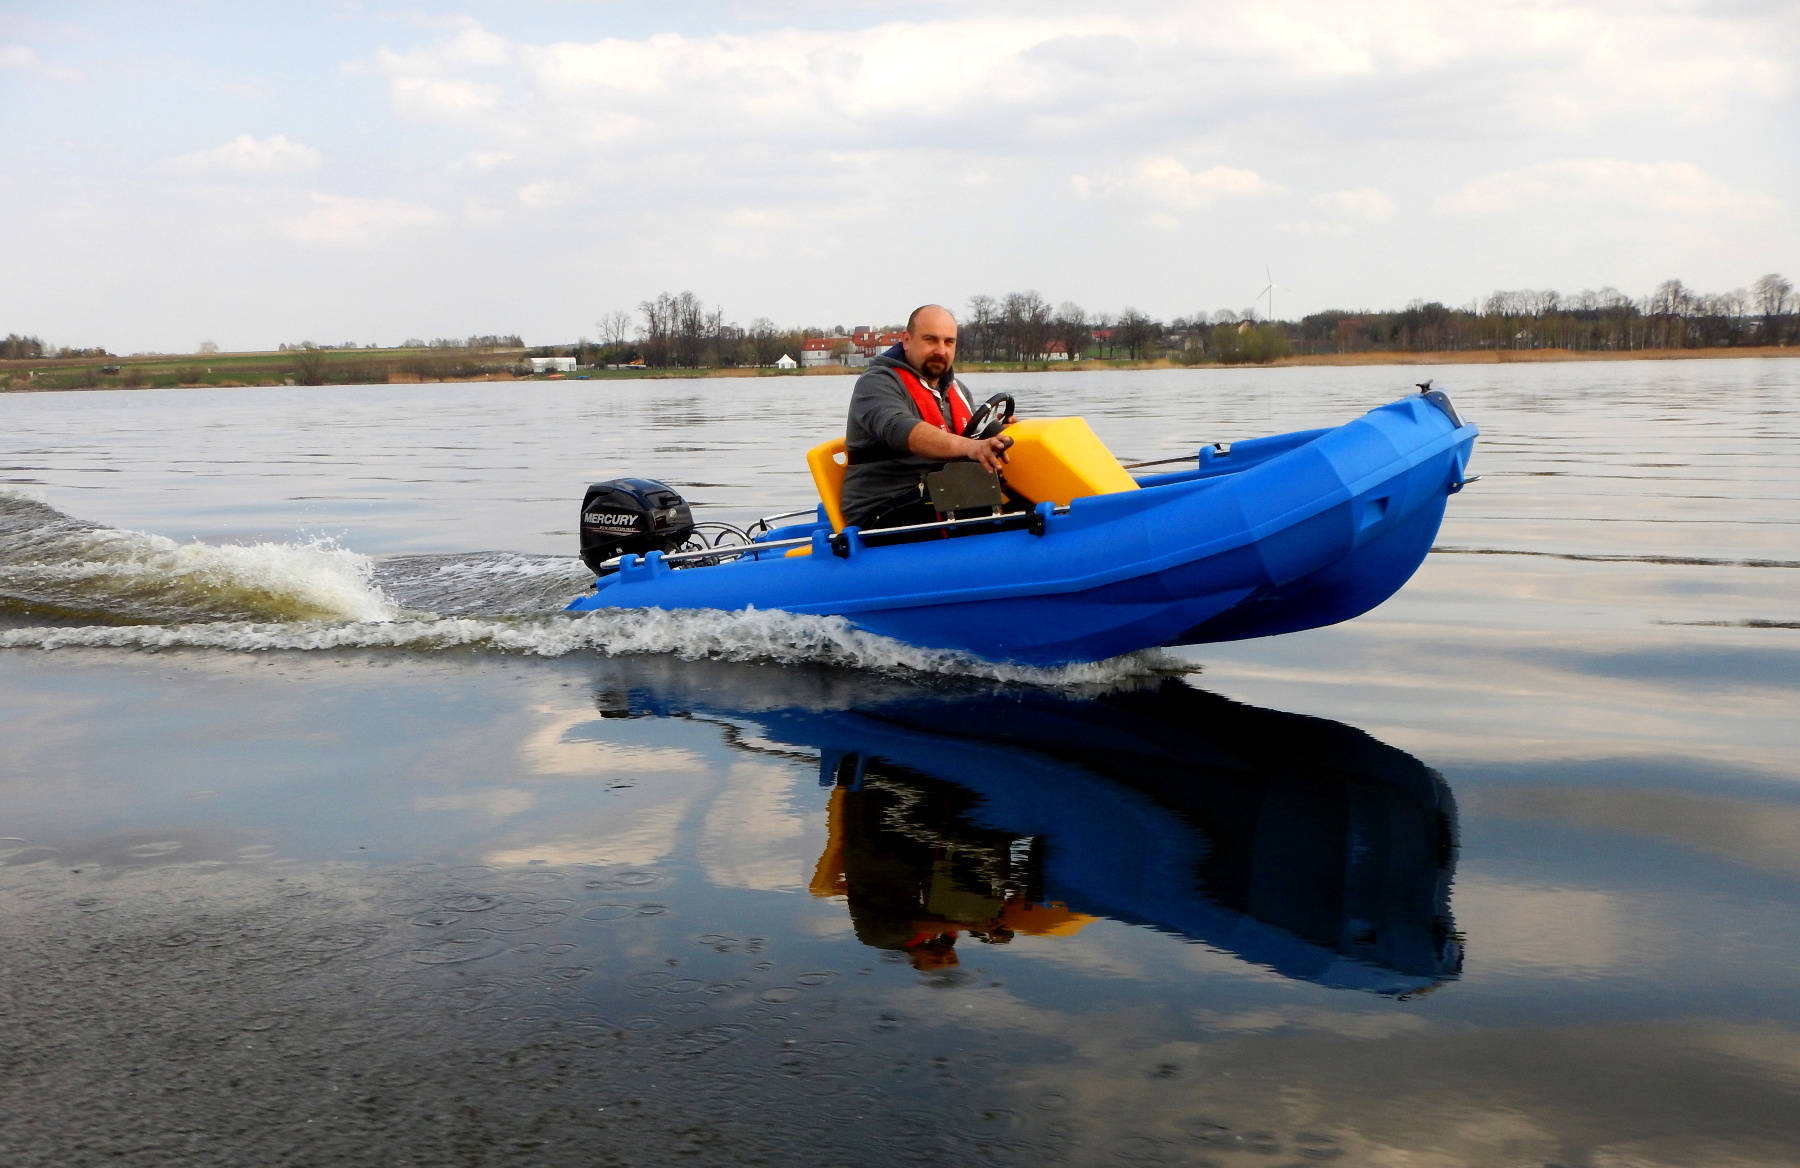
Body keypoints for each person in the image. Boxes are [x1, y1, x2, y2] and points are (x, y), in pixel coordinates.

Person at [840, 304, 1012, 531]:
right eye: (931, 340)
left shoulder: (957, 390)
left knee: (1026, 506)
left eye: (949, 342)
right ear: (907, 340)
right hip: (884, 508)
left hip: (946, 494)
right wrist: (971, 447)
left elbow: (971, 438)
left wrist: (999, 436)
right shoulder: (876, 383)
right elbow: (900, 429)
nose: (941, 350)